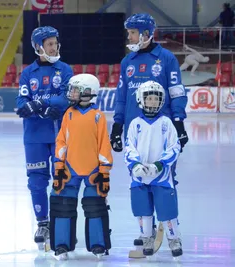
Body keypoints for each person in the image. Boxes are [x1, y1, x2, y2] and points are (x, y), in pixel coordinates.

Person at [110, 13, 188, 246]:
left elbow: (176, 91)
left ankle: (173, 231)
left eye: (132, 32)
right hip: (135, 134)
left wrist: (179, 123)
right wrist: (117, 125)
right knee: (139, 180)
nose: (129, 36)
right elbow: (122, 97)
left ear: (145, 34)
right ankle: (147, 231)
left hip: (161, 134)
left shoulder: (166, 58)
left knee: (165, 182)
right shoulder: (127, 62)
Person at [15, 26, 73, 250]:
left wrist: (41, 103)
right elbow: (22, 104)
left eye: (55, 43)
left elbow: (67, 96)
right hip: (34, 136)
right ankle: (43, 223)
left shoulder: (64, 69)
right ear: (38, 47)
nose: (54, 47)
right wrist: (38, 107)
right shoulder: (28, 73)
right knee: (36, 182)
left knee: (61, 178)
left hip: (59, 134)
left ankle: (61, 221)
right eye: (49, 44)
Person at [51, 73, 112, 260]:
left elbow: (104, 144)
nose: (72, 93)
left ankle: (98, 245)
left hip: (94, 170)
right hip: (70, 169)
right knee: (63, 205)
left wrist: (104, 170)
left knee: (95, 206)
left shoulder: (98, 116)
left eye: (76, 90)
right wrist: (59, 166)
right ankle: (61, 244)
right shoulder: (68, 114)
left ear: (88, 92)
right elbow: (61, 140)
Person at [124, 81, 182, 257]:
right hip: (139, 176)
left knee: (167, 209)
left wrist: (160, 164)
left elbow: (174, 147)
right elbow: (129, 147)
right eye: (149, 99)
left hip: (161, 176)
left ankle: (174, 238)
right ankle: (147, 237)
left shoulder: (166, 122)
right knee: (142, 210)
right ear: (141, 100)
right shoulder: (135, 124)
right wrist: (135, 165)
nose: (152, 102)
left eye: (156, 99)